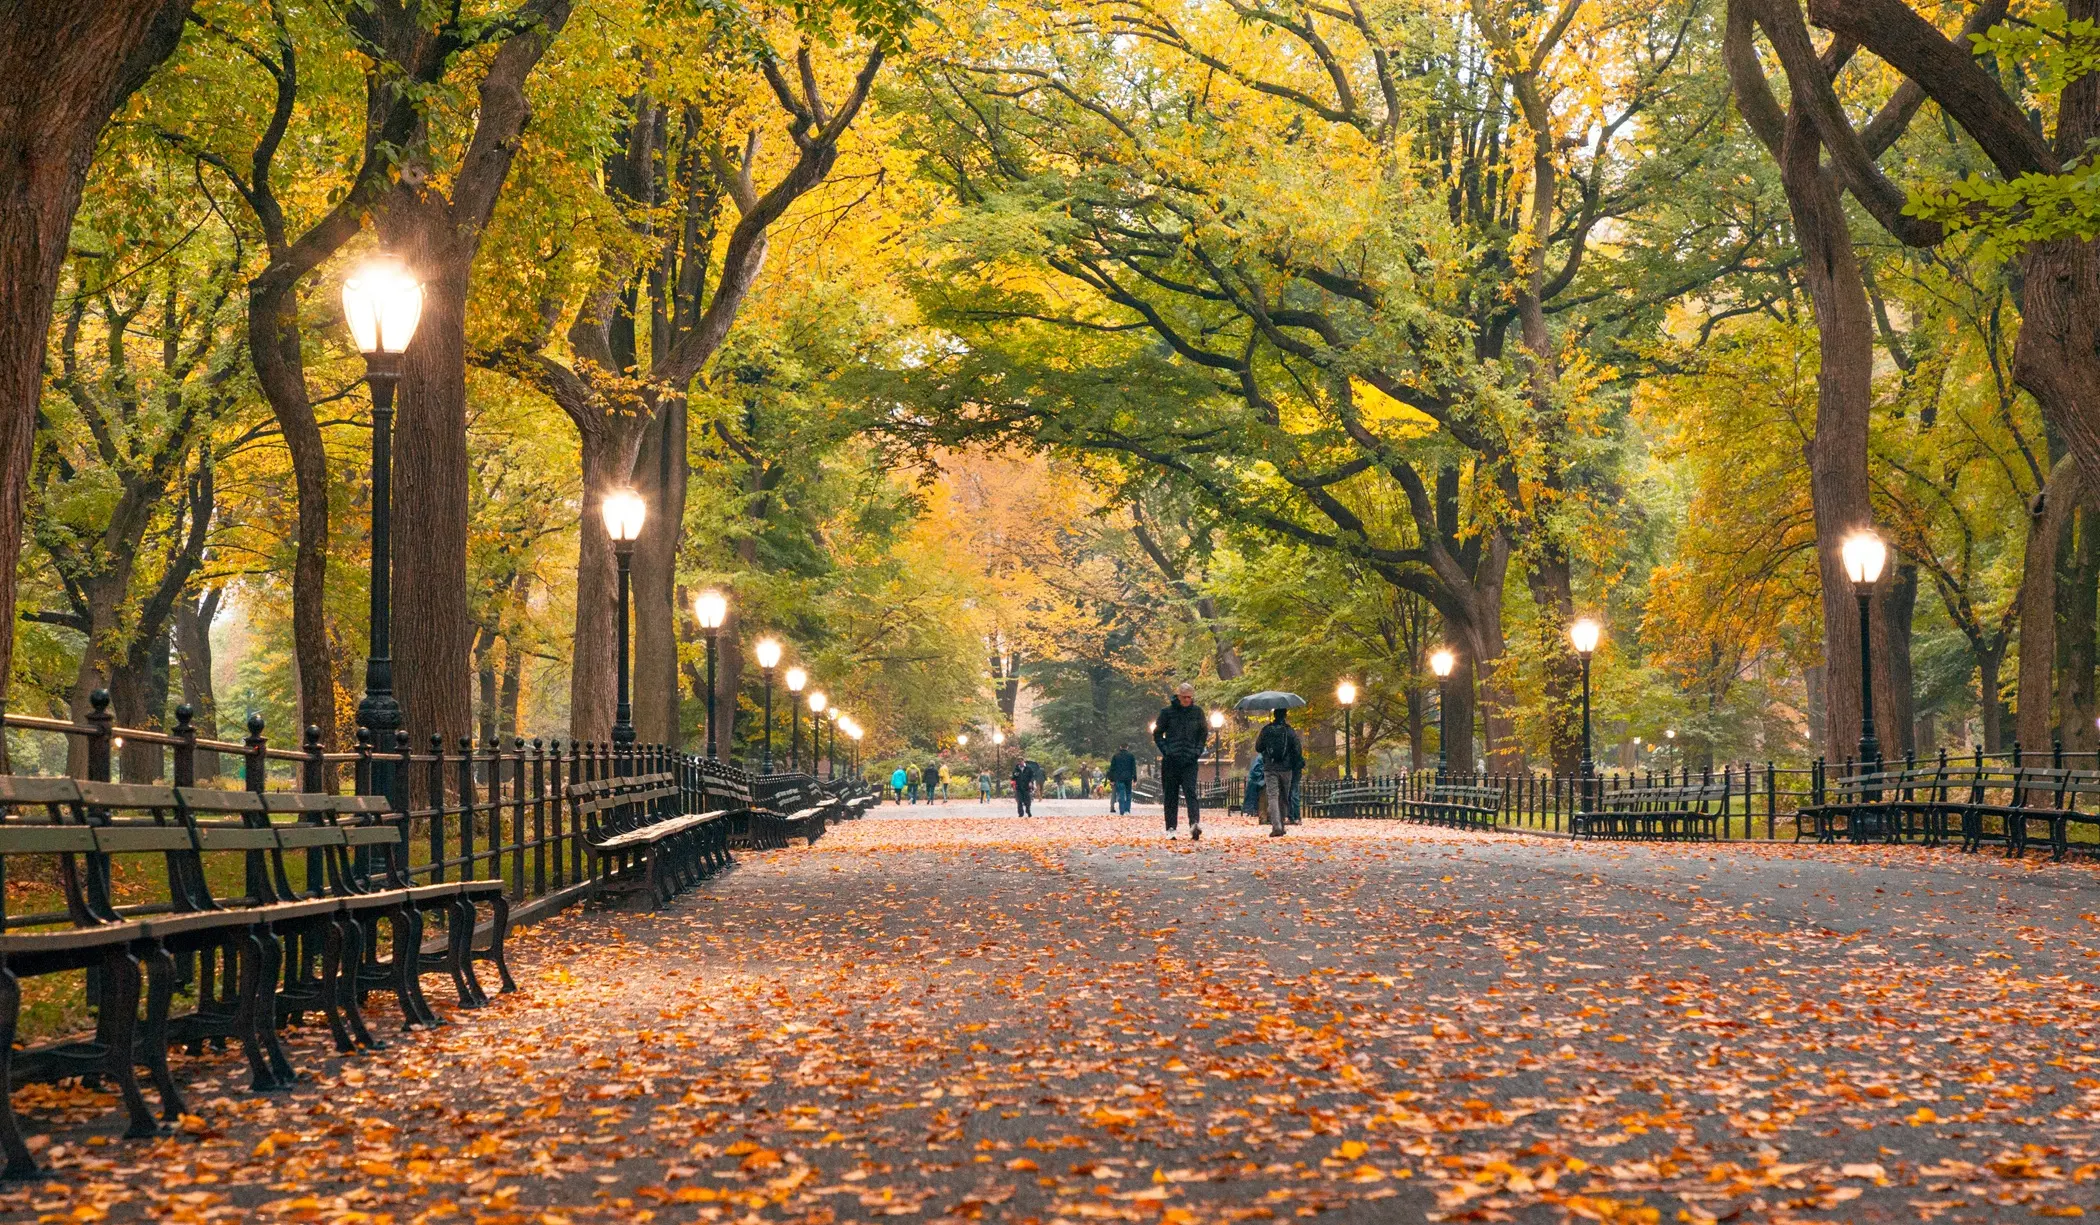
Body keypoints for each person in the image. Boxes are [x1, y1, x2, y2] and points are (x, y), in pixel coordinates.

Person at [1152, 682, 1209, 840]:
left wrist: (1197, 751)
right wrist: (1167, 751)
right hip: (1171, 761)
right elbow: (1157, 734)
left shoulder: (1197, 712)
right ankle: (1171, 828)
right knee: (1171, 795)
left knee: (1191, 792)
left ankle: (1194, 823)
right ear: (1178, 696)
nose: (1187, 700)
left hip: (1189, 760)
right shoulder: (1167, 713)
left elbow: (1203, 734)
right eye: (1184, 697)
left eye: (1190, 697)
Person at [1255, 707, 1306, 836]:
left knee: (1272, 796)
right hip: (1286, 769)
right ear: (1285, 715)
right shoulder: (1289, 731)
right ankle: (1282, 824)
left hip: (1270, 767)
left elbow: (1258, 747)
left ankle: (1276, 825)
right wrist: (1294, 763)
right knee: (1284, 796)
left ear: (1274, 715)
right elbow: (1297, 749)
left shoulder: (1266, 730)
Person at [1107, 744, 1137, 814]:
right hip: (1128, 777)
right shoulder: (1131, 756)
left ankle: (1122, 810)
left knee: (1121, 793)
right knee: (1128, 793)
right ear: (1127, 747)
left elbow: (1112, 768)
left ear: (1120, 747)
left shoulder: (1115, 756)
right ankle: (1127, 810)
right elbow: (1133, 768)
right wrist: (1135, 778)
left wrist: (1112, 779)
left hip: (1119, 777)